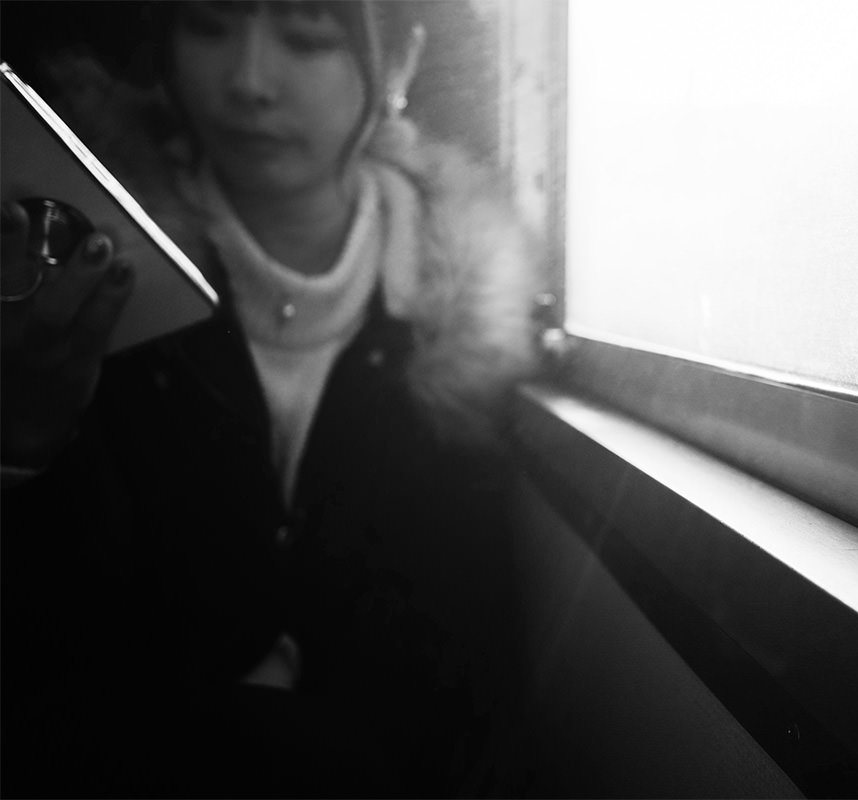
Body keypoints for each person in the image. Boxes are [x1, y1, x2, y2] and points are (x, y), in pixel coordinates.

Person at [0, 1, 540, 796]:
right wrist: (23, 436)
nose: (250, 81)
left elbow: (470, 682)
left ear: (397, 62)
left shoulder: (462, 325)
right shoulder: (90, 270)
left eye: (307, 36)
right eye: (208, 26)